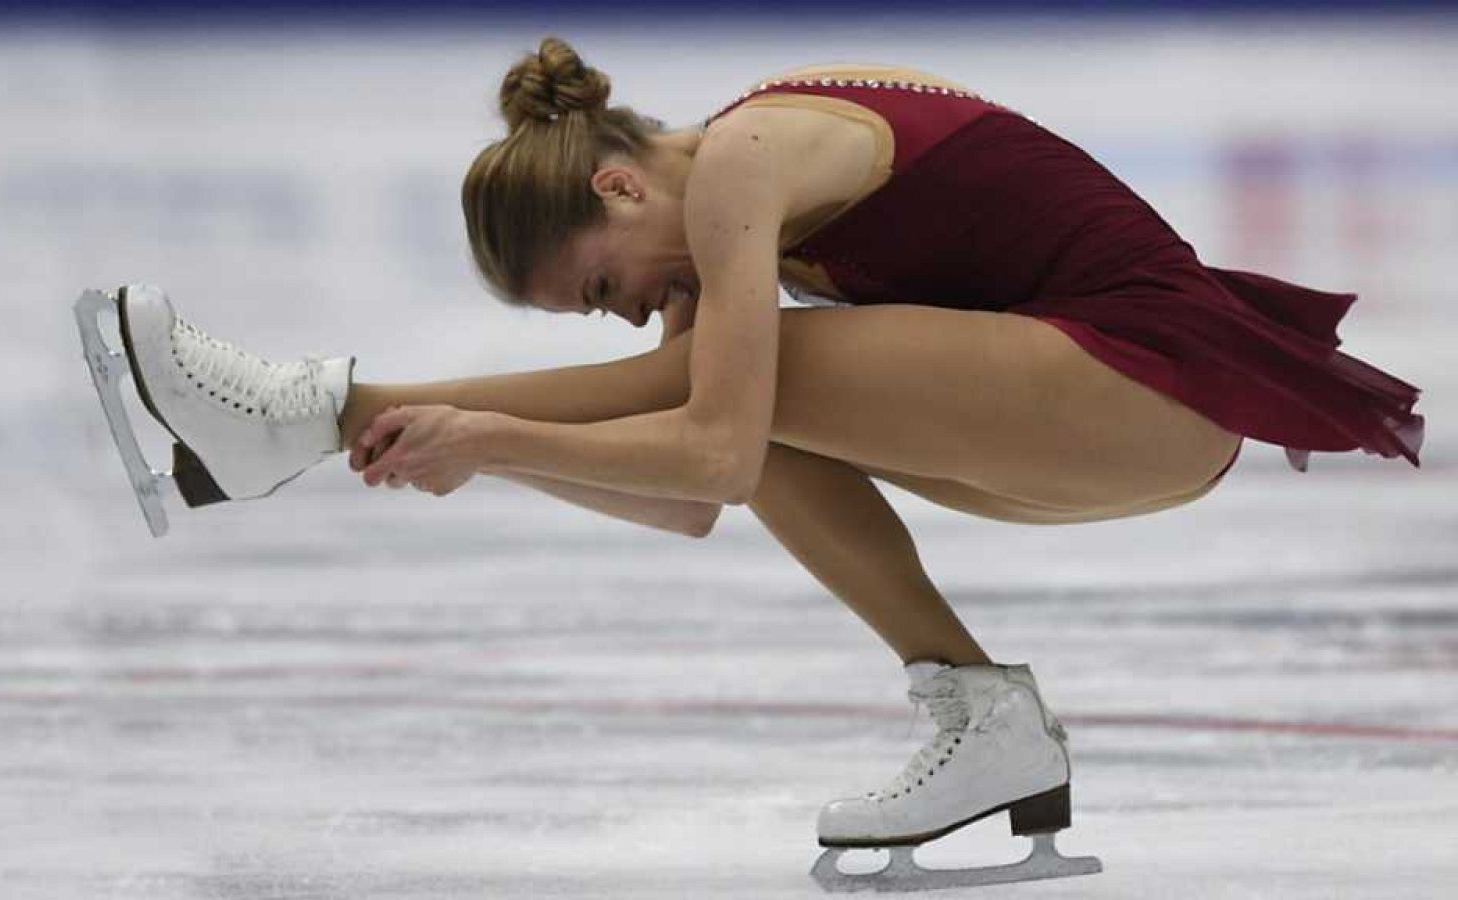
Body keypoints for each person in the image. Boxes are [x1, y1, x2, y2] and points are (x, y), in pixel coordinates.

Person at [86, 35, 1424, 889]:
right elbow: (691, 494)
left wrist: (479, 431)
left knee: (742, 383)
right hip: (1116, 410)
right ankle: (988, 723)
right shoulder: (717, 188)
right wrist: (487, 456)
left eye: (600, 286)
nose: (621, 308)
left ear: (614, 191)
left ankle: (302, 414)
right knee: (749, 388)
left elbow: (711, 443)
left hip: (1151, 383)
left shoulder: (741, 163)